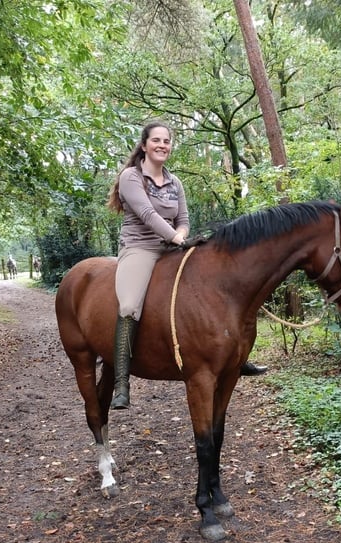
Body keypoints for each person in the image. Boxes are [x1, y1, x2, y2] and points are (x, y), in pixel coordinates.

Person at [107, 121, 266, 410]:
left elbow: (184, 218)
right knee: (129, 306)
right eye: (156, 140)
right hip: (140, 248)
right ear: (144, 145)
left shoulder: (175, 182)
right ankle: (121, 381)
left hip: (173, 247)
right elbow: (145, 213)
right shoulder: (131, 177)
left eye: (166, 141)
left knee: (214, 286)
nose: (162, 145)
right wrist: (176, 237)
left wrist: (180, 234)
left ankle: (234, 357)